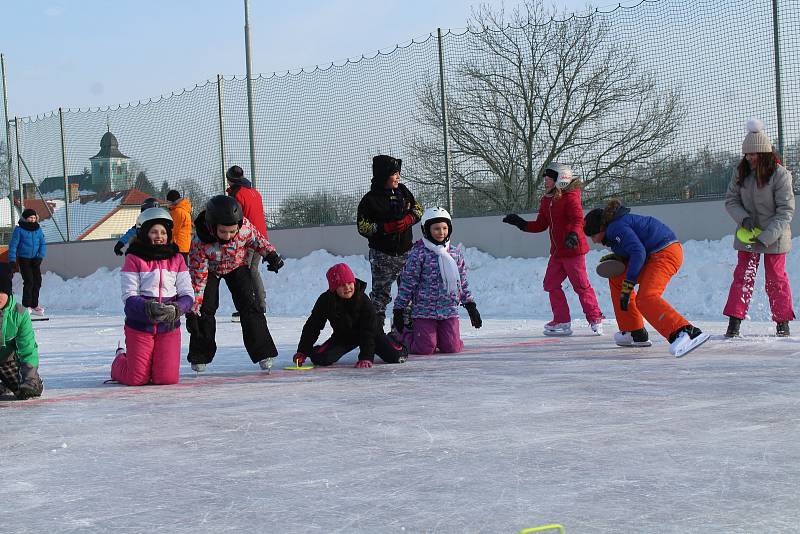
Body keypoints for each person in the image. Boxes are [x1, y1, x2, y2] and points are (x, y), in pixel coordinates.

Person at [583, 199, 709, 357]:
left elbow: (638, 252)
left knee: (646, 297)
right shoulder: (614, 228)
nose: (593, 240)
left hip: (665, 252)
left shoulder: (616, 227)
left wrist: (629, 284)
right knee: (617, 278)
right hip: (653, 255)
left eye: (594, 235)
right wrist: (620, 258)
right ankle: (634, 331)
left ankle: (686, 332)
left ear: (602, 227)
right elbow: (635, 248)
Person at [502, 162, 604, 336]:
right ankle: (562, 321)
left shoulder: (571, 196)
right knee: (551, 284)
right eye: (546, 179)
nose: (546, 182)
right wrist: (521, 223)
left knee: (580, 285)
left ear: (560, 180)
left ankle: (595, 318)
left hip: (573, 251)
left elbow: (578, 219)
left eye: (549, 178)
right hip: (557, 253)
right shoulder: (547, 200)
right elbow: (541, 224)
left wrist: (572, 235)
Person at [186, 195, 284, 373]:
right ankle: (200, 355)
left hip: (236, 266)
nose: (229, 236)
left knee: (249, 304)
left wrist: (271, 255)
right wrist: (193, 311)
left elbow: (258, 240)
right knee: (205, 309)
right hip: (210, 271)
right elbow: (198, 280)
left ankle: (263, 352)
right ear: (212, 225)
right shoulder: (199, 243)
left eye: (233, 231)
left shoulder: (244, 228)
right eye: (223, 232)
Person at [723, 119, 795, 338]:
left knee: (776, 279)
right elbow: (731, 200)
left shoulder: (781, 175)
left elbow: (785, 211)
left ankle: (782, 322)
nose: (749, 158)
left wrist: (766, 236)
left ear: (764, 154)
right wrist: (743, 219)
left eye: (753, 154)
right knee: (743, 276)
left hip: (774, 235)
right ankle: (734, 323)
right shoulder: (740, 173)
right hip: (748, 233)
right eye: (746, 154)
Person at [111, 208, 194, 386]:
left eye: (163, 232)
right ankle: (119, 360)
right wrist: (148, 307)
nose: (159, 236)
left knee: (166, 379)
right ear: (144, 233)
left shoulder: (177, 258)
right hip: (140, 326)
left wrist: (177, 308)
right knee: (137, 379)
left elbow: (187, 293)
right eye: (154, 231)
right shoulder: (134, 258)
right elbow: (129, 295)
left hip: (168, 326)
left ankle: (150, 365)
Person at [391, 207, 482, 355]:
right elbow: (408, 284)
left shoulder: (454, 253)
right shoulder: (419, 253)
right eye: (436, 228)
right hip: (424, 311)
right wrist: (399, 310)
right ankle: (401, 334)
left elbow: (462, 283)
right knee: (425, 349)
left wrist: (471, 306)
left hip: (449, 310)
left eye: (445, 228)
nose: (441, 232)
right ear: (426, 230)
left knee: (452, 348)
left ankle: (441, 337)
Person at [292, 263, 408, 369]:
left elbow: (368, 331)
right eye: (342, 285)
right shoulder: (326, 301)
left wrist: (366, 357)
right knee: (321, 359)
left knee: (396, 357)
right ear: (333, 288)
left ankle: (393, 338)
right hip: (344, 336)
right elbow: (313, 326)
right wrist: (303, 351)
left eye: (349, 283)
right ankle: (316, 351)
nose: (347, 288)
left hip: (373, 335)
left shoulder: (363, 300)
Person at [357, 155, 423, 331]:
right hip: (382, 255)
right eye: (394, 174)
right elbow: (363, 227)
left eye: (398, 173)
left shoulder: (403, 191)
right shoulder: (370, 200)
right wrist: (386, 227)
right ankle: (375, 331)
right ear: (383, 176)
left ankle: (404, 328)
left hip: (406, 253)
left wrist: (409, 219)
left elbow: (419, 208)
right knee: (381, 295)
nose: (398, 177)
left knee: (408, 291)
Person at [226, 165, 268, 316]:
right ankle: (260, 304)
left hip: (247, 238)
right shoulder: (254, 192)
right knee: (253, 270)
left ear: (229, 180)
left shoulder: (237, 195)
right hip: (261, 237)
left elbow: (234, 217)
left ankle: (251, 306)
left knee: (246, 272)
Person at [0, 263, 43, 400]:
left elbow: (28, 348)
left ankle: (27, 381)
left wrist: (29, 379)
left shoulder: (19, 313)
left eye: (0, 291)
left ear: (7, 291)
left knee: (27, 390)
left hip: (6, 360)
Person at [8, 208, 46, 316]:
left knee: (37, 281)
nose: (32, 219)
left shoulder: (38, 229)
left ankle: (34, 305)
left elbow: (42, 243)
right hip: (24, 259)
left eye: (34, 218)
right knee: (29, 281)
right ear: (25, 218)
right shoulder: (19, 230)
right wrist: (12, 260)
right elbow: (13, 245)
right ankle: (26, 305)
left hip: (35, 260)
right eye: (30, 217)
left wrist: (40, 256)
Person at [166, 190, 193, 264]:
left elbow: (174, 229)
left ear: (173, 201)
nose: (167, 203)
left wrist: (166, 239)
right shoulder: (183, 209)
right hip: (183, 244)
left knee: (178, 268)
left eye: (168, 201)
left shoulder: (178, 211)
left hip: (178, 245)